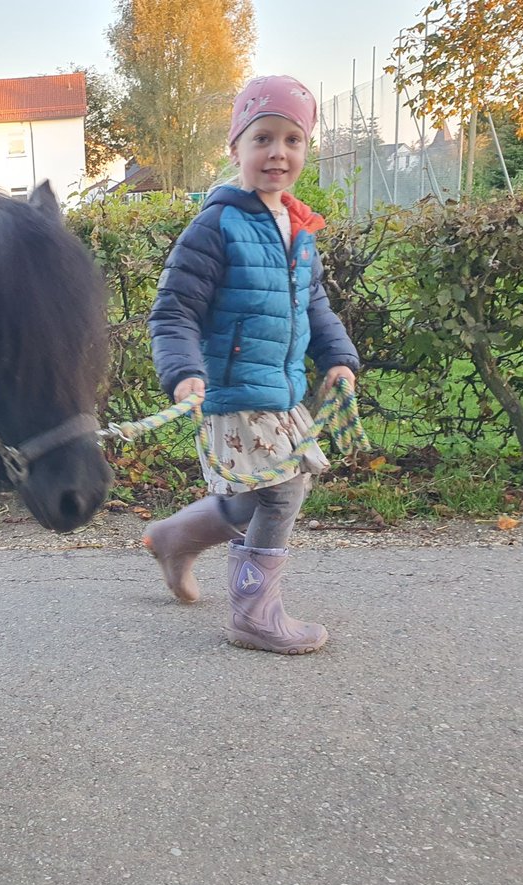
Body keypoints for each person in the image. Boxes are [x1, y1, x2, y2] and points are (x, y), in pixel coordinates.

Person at [142, 75, 360, 655]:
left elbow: (314, 305)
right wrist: (183, 369)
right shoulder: (216, 226)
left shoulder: (297, 228)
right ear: (235, 148)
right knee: (284, 489)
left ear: (306, 151)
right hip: (236, 388)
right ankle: (255, 615)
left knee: (246, 496)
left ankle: (174, 538)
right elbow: (173, 311)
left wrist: (336, 357)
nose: (278, 153)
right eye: (262, 137)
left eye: (293, 140)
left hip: (281, 388)